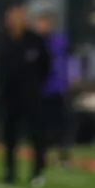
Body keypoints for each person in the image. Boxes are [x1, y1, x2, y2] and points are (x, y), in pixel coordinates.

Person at [0, 4, 51, 187]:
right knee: (10, 135)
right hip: (10, 96)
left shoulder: (35, 41)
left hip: (32, 96)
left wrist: (35, 86)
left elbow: (45, 67)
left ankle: (37, 172)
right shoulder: (4, 40)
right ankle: (10, 172)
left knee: (36, 135)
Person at [32, 12, 73, 169]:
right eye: (41, 23)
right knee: (42, 127)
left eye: (46, 23)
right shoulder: (34, 43)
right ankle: (42, 157)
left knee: (62, 125)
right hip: (40, 91)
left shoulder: (58, 42)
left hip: (57, 90)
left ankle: (64, 156)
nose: (44, 26)